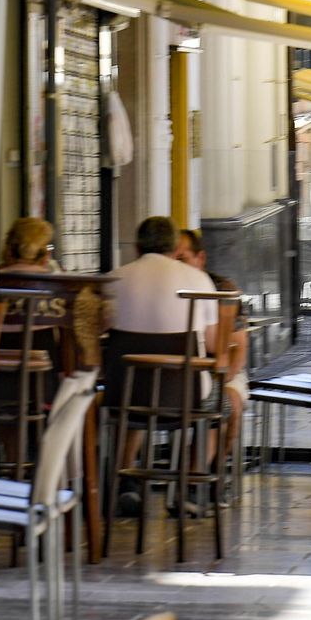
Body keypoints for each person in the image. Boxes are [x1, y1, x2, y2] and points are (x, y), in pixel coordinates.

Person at [106, 216, 221, 514]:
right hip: (186, 395)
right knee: (222, 404)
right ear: (175, 248)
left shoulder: (113, 280)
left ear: (136, 247)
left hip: (124, 393)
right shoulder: (198, 280)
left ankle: (123, 481)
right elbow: (212, 344)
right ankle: (191, 485)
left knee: (134, 395)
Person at [175, 229, 247, 470]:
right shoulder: (166, 291)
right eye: (172, 259)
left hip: (223, 372)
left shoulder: (223, 289)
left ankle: (211, 471)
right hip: (179, 375)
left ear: (201, 258)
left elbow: (239, 349)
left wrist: (222, 379)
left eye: (182, 259)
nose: (176, 266)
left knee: (229, 402)